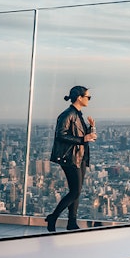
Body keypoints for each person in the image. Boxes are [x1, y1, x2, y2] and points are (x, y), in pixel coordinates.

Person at [46, 85, 97, 232]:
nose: (89, 99)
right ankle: (53, 217)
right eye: (88, 97)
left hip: (79, 156)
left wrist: (91, 129)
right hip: (70, 157)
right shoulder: (67, 114)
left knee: (77, 191)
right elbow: (61, 135)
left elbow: (80, 135)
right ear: (79, 98)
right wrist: (83, 139)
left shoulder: (78, 114)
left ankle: (72, 222)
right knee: (75, 192)